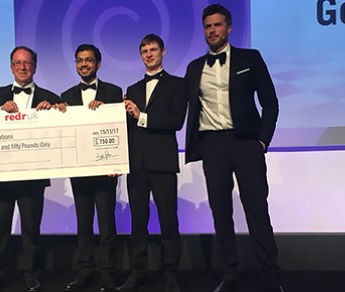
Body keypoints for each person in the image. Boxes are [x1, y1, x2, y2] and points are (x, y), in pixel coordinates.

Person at [183, 4, 284, 292]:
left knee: (256, 209)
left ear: (229, 27)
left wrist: (262, 141)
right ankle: (230, 273)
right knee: (220, 211)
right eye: (207, 26)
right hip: (212, 145)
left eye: (217, 25)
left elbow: (270, 102)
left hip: (245, 144)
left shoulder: (250, 58)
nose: (212, 30)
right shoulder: (194, 68)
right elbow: (176, 103)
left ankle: (271, 275)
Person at [0, 46, 60, 292]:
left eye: (27, 63)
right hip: (1, 173)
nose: (23, 67)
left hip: (34, 176)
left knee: (30, 227)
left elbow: (60, 135)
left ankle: (30, 274)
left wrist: (54, 114)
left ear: (35, 67)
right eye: (18, 63)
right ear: (11, 67)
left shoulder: (50, 97)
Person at [116, 34, 187, 292]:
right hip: (136, 165)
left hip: (163, 164)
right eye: (144, 50)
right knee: (137, 223)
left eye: (153, 49)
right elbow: (124, 129)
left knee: (169, 221)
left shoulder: (178, 86)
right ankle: (137, 274)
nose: (149, 54)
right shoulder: (132, 89)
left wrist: (141, 115)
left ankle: (171, 275)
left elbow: (175, 122)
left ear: (163, 52)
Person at [58, 44, 122, 292]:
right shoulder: (66, 95)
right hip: (80, 171)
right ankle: (85, 271)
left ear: (98, 63)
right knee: (83, 222)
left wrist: (118, 163)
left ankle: (108, 273)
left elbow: (120, 131)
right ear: (75, 64)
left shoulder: (113, 92)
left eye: (89, 60)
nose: (84, 64)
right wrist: (57, 112)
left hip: (106, 170)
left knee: (107, 224)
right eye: (80, 61)